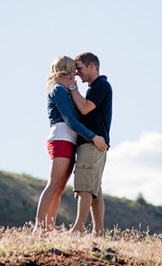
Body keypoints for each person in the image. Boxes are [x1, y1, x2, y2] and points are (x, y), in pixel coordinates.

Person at [33, 56, 107, 234]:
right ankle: (39, 227)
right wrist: (92, 136)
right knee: (53, 184)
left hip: (70, 139)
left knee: (58, 188)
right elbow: (70, 120)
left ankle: (48, 229)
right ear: (65, 69)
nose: (76, 73)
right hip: (62, 138)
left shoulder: (66, 90)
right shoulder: (58, 90)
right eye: (74, 69)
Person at [55, 52, 112, 236]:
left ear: (91, 66)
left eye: (79, 68)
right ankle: (99, 232)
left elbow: (85, 108)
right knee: (95, 189)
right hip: (95, 144)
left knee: (85, 187)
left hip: (92, 144)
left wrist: (71, 87)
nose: (77, 73)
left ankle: (78, 228)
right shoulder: (95, 87)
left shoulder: (101, 85)